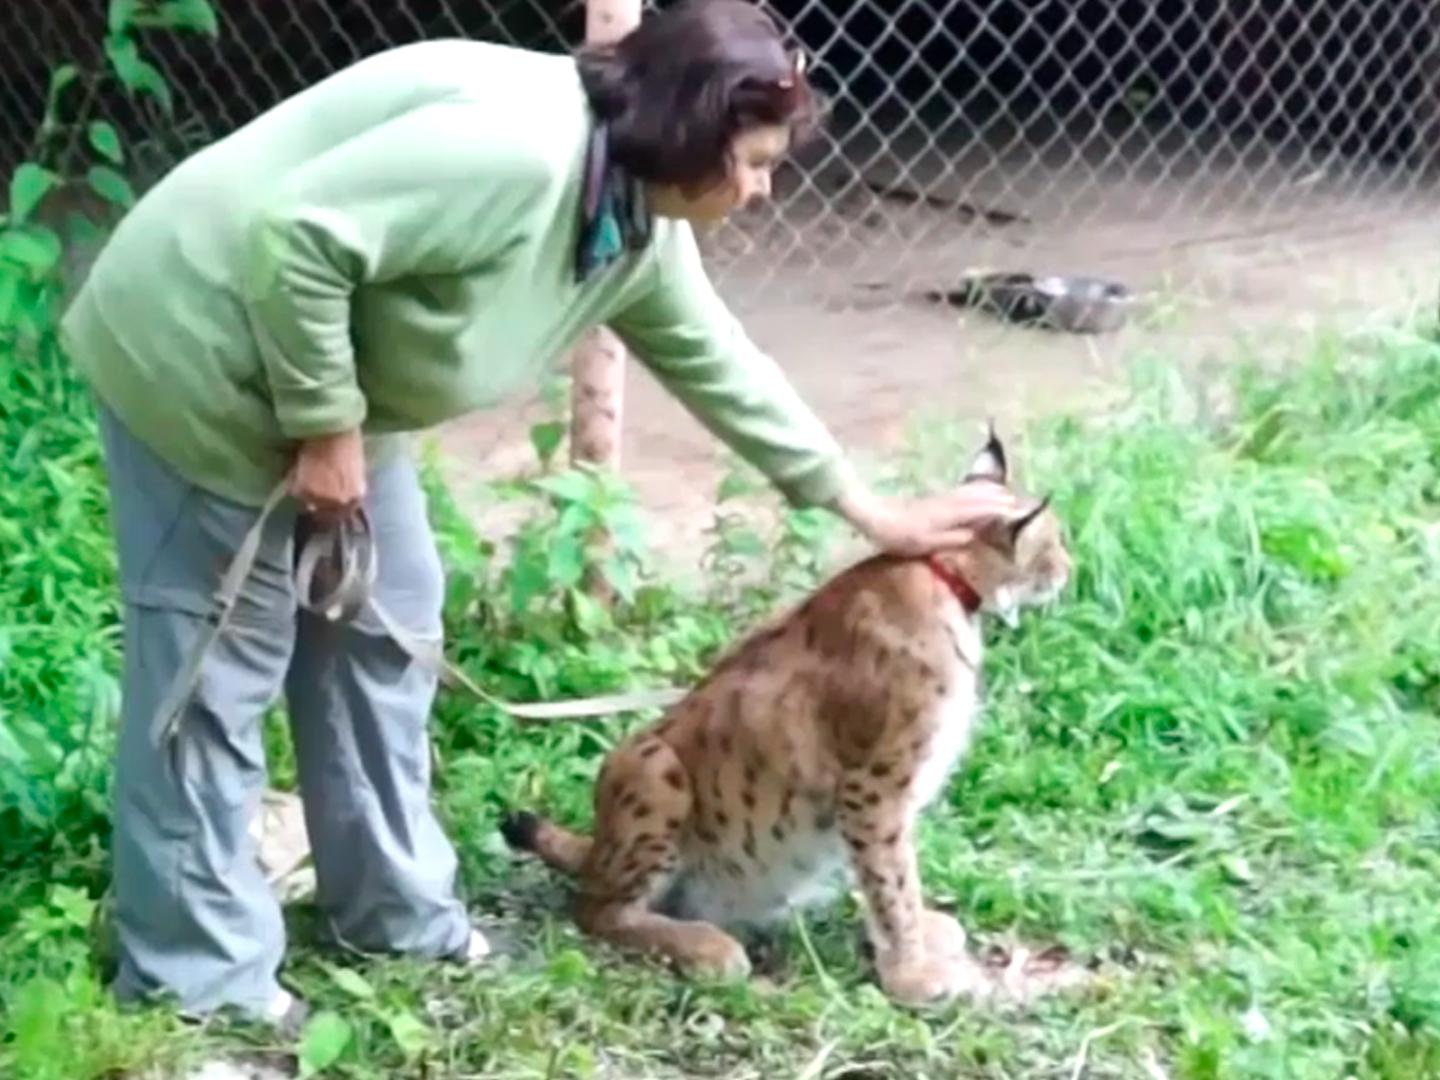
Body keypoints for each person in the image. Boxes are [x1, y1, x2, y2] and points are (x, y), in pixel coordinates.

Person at [60, 0, 1009, 1029]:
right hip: (202, 349)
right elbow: (295, 236)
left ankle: (392, 912)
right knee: (216, 677)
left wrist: (875, 514)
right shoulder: (515, 152)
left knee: (387, 626)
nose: (764, 187)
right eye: (755, 160)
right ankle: (200, 985)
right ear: (692, 129)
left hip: (324, 372)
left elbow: (720, 363)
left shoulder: (635, 212)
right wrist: (326, 424)